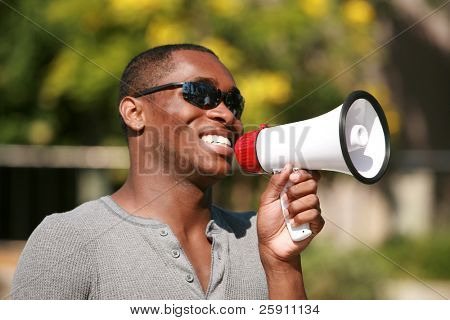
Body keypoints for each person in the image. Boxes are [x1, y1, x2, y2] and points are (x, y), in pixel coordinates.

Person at [11, 44, 324, 299]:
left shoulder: (261, 236)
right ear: (135, 113)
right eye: (200, 93)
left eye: (234, 102)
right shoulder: (68, 239)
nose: (226, 114)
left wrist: (281, 263)